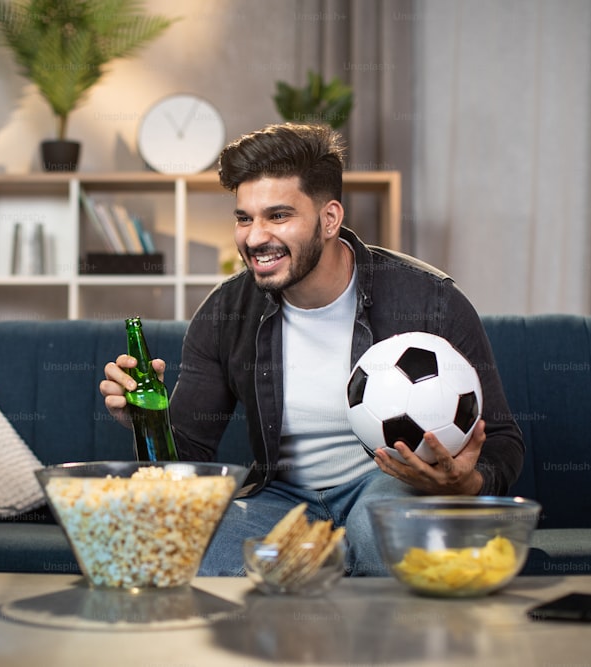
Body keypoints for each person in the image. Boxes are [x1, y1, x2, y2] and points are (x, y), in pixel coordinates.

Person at [100, 123, 524, 576]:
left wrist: (464, 485)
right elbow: (188, 458)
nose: (255, 237)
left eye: (278, 216)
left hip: (388, 484)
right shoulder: (224, 313)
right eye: (245, 218)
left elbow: (501, 440)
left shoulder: (431, 301)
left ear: (329, 219)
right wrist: (146, 419)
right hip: (280, 498)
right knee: (191, 554)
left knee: (384, 539)